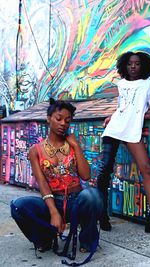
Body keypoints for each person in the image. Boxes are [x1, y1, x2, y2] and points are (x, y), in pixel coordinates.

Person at [10, 98, 103, 264]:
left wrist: (76, 146)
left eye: (67, 121)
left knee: (93, 196)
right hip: (53, 201)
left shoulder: (73, 144)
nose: (63, 124)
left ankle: (88, 239)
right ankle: (45, 238)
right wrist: (53, 211)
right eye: (58, 118)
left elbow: (86, 176)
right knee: (19, 206)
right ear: (48, 118)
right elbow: (42, 183)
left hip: (76, 200)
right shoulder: (35, 150)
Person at [97, 51, 150, 237]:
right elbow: (123, 106)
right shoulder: (121, 84)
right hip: (114, 129)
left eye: (136, 63)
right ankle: (101, 213)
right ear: (124, 66)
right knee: (105, 171)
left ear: (143, 65)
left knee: (146, 169)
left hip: (132, 130)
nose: (133, 67)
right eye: (129, 64)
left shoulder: (148, 84)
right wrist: (112, 116)